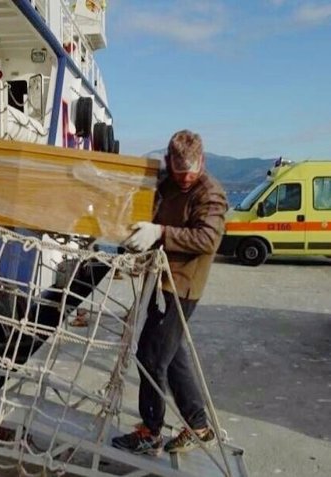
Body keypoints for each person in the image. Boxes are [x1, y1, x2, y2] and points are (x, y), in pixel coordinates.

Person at [112, 130, 228, 455]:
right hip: (159, 279)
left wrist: (160, 232)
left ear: (202, 162)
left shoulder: (210, 194)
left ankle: (151, 432)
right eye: (180, 174)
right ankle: (199, 426)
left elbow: (207, 239)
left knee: (150, 359)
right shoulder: (165, 183)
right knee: (172, 356)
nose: (186, 179)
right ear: (169, 163)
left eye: (192, 173)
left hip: (180, 287)